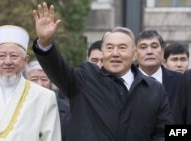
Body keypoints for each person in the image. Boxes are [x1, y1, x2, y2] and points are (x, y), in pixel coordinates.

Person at [32, 2, 172, 141]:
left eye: (122, 48)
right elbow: (58, 69)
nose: (115, 53)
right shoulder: (85, 79)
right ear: (103, 52)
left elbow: (162, 133)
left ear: (135, 54)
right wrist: (45, 43)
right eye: (110, 48)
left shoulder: (154, 90)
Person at [24, 61, 70, 141]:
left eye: (44, 79)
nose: (40, 84)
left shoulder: (66, 111)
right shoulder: (18, 108)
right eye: (34, 79)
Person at [135, 30, 182, 108]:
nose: (149, 52)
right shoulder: (125, 82)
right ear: (135, 54)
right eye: (143, 47)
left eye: (154, 46)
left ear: (162, 52)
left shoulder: (180, 81)